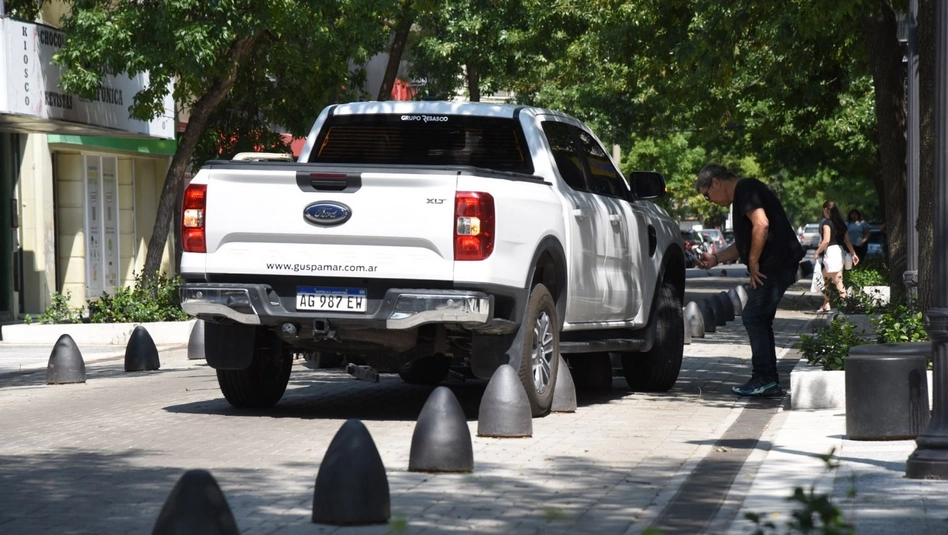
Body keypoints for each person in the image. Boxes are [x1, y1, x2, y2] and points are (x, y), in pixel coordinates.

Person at [693, 163, 804, 397]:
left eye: (707, 195)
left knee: (754, 316)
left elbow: (761, 224)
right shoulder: (742, 196)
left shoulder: (746, 189)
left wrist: (753, 261)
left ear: (715, 182)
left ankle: (765, 379)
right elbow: (743, 244)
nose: (709, 201)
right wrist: (715, 258)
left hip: (775, 265)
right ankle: (767, 379)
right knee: (759, 318)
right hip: (774, 265)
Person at [814, 201, 860, 312]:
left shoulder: (827, 223)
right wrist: (853, 254)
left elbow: (826, 241)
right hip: (840, 251)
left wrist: (817, 252)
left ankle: (846, 306)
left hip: (831, 252)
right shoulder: (841, 224)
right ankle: (826, 303)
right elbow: (847, 241)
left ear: (826, 210)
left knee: (838, 281)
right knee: (825, 277)